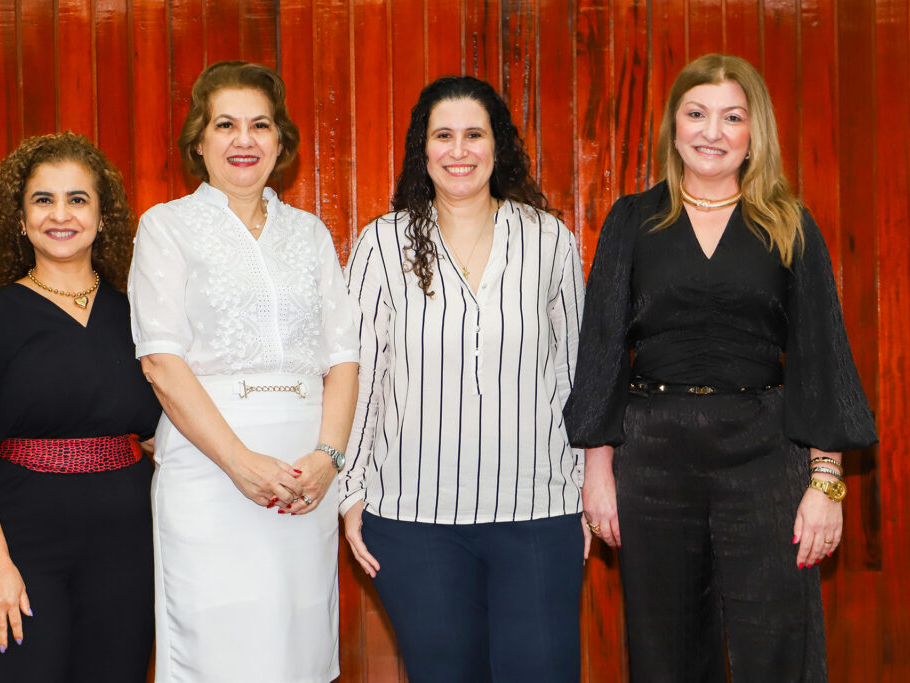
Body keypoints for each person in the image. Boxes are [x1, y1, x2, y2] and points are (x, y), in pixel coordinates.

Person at [565, 53, 877, 682]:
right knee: (664, 651)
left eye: (732, 117)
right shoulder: (632, 220)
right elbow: (600, 351)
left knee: (778, 646)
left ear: (753, 131)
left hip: (764, 458)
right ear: (673, 128)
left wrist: (826, 485)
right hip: (652, 461)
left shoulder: (790, 224)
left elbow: (822, 358)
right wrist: (598, 472)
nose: (712, 132)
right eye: (697, 114)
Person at [341, 75, 588, 683]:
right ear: (422, 150)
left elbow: (579, 371)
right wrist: (349, 492)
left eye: (474, 134)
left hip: (539, 510)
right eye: (443, 135)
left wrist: (589, 487)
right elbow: (361, 376)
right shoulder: (382, 243)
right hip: (413, 515)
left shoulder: (548, 239)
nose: (459, 150)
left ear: (496, 146)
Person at [127, 60, 359, 683]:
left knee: (297, 649)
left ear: (280, 140)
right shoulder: (166, 226)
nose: (243, 139)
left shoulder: (309, 233)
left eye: (260, 125)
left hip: (305, 476)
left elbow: (343, 357)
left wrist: (328, 457)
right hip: (210, 473)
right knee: (219, 652)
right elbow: (160, 361)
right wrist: (239, 462)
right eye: (224, 124)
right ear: (198, 141)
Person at [0, 132, 162, 682]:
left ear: (104, 217)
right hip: (16, 543)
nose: (61, 215)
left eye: (78, 199)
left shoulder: (145, 321)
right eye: (43, 200)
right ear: (19, 219)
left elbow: (165, 439)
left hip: (125, 546)